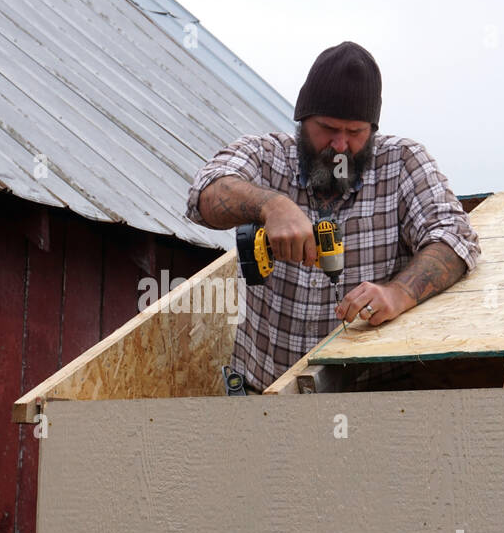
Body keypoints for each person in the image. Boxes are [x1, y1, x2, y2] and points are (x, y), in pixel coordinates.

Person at [186, 41, 482, 393]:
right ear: (302, 119)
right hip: (264, 398)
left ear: (372, 129)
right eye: (327, 128)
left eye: (355, 133)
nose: (340, 146)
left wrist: (399, 293)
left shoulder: (403, 163)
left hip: (371, 402)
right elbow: (202, 194)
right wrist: (272, 205)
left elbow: (455, 237)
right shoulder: (266, 157)